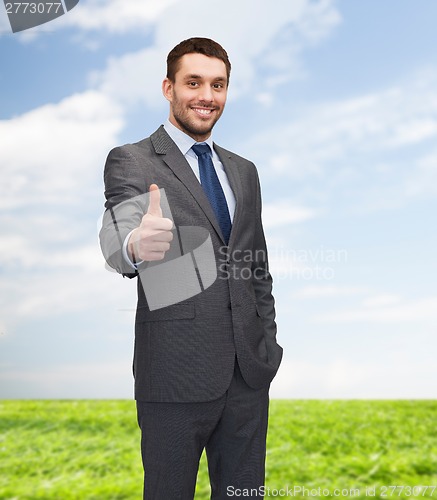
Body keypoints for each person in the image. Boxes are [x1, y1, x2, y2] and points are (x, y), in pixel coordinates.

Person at [100, 37, 283, 499]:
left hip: (247, 375)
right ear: (168, 87)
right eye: (194, 82)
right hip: (175, 375)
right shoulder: (133, 159)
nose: (207, 95)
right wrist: (138, 244)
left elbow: (254, 263)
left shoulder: (244, 171)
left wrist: (267, 344)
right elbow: (118, 239)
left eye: (218, 85)